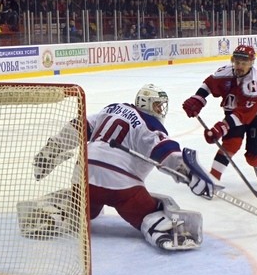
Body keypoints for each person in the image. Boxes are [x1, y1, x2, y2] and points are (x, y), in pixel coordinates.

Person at [25, 84, 215, 251]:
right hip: (122, 186)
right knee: (147, 211)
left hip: (83, 175)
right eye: (157, 105)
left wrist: (53, 149)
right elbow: (165, 152)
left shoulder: (112, 108)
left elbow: (78, 126)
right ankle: (160, 228)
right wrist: (190, 174)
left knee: (88, 210)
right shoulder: (150, 124)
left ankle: (60, 212)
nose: (160, 109)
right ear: (146, 104)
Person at [182, 44, 257, 182]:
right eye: (237, 62)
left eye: (244, 63)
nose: (239, 66)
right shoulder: (225, 72)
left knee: (253, 159)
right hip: (235, 110)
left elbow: (243, 115)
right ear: (232, 61)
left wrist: (221, 128)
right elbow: (209, 83)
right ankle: (213, 178)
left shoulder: (254, 85)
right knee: (231, 143)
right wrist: (198, 99)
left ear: (251, 63)